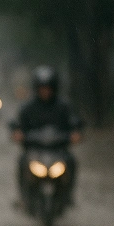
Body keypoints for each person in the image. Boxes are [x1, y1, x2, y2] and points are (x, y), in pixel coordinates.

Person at [11, 65, 82, 205]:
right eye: (42, 88)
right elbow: (17, 123)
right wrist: (17, 132)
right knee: (22, 161)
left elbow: (75, 122)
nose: (45, 92)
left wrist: (75, 133)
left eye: (48, 88)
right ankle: (23, 197)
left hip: (59, 151)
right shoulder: (28, 107)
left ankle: (68, 195)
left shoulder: (64, 106)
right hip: (34, 151)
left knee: (72, 161)